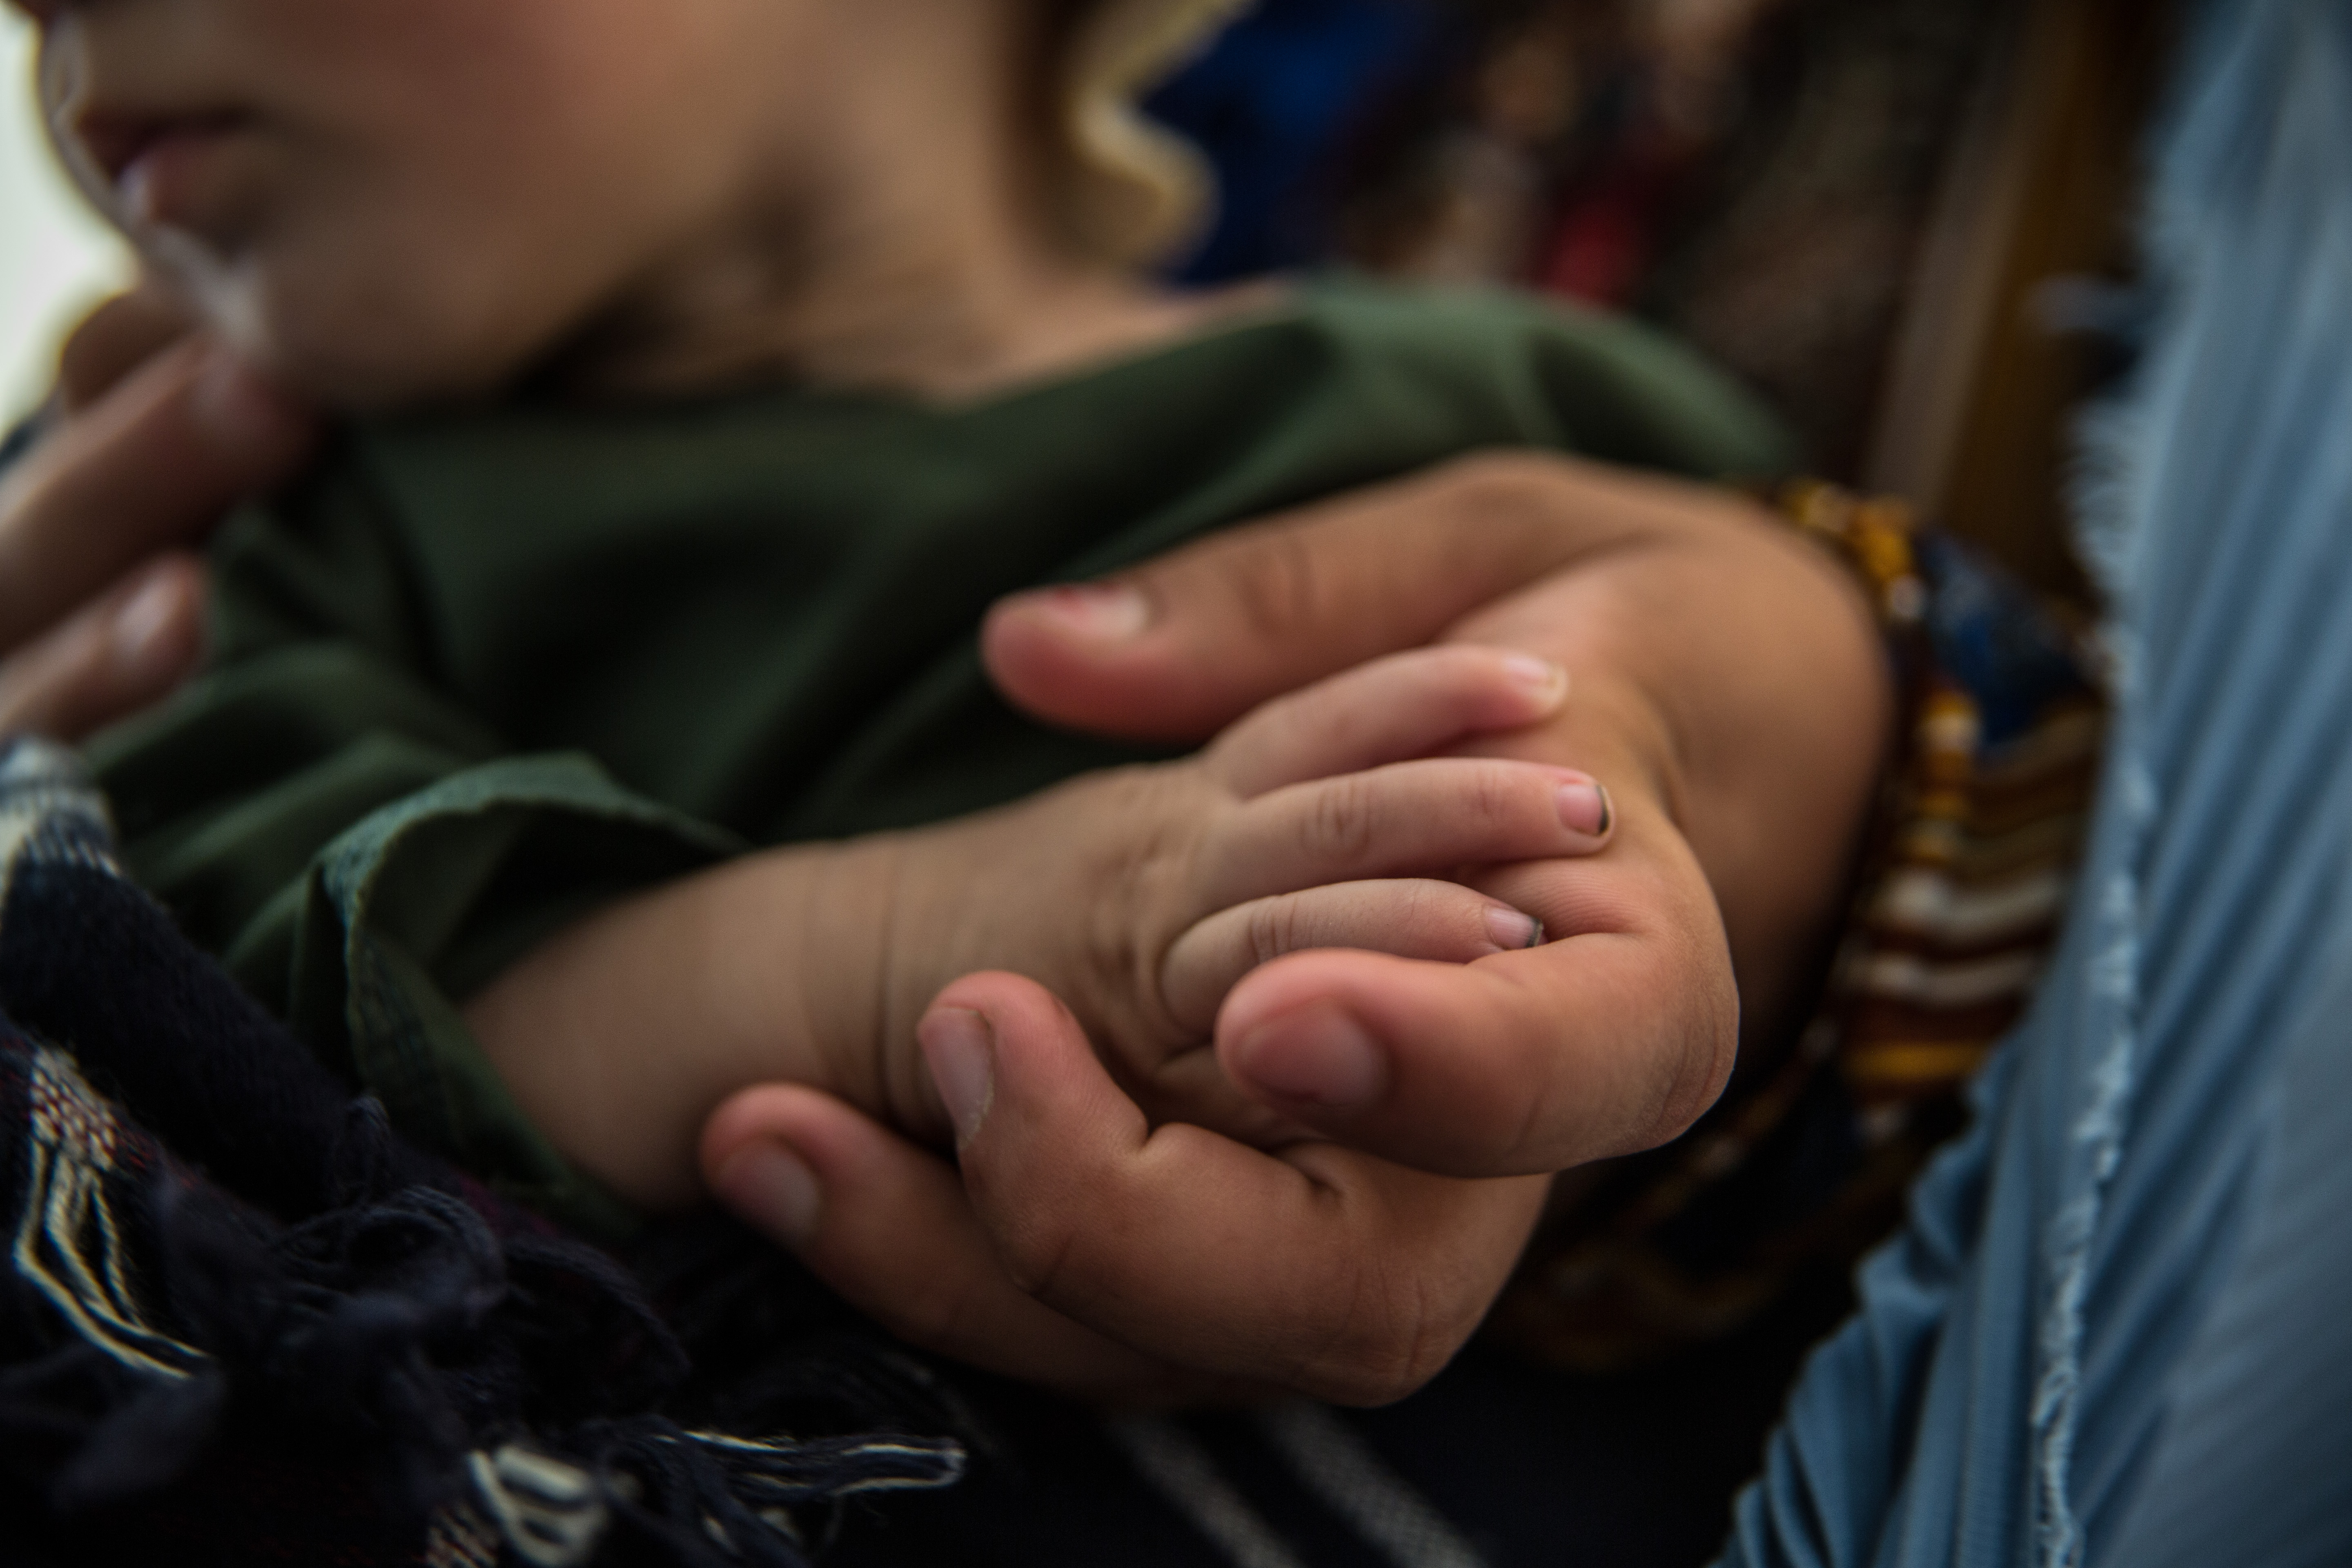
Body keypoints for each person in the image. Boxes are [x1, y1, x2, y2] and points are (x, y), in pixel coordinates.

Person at [4, 0, 1888, 1412]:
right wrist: (903, 948)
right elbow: (255, 996)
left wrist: (1582, 871)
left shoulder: (1518, 418)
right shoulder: (263, 555)